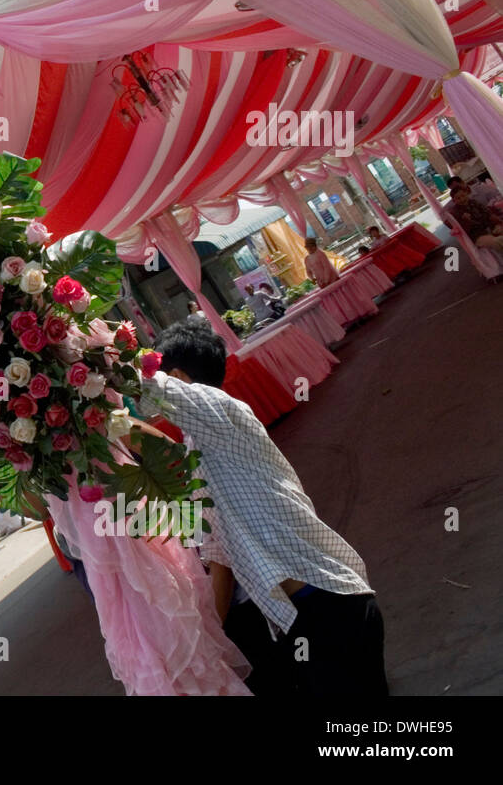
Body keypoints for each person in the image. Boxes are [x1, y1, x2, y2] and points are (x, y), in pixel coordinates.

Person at [145, 317, 388, 695]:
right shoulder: (201, 444)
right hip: (311, 613)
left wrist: (82, 359)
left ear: (177, 375)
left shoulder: (222, 411)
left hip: (327, 606)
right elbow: (219, 555)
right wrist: (210, 638)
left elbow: (146, 387)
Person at [446, 184, 503, 253]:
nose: (462, 199)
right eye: (458, 198)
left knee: (499, 233)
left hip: (489, 227)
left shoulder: (474, 202)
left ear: (467, 193)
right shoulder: (455, 212)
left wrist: (498, 222)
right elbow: (463, 231)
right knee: (497, 241)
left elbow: (488, 213)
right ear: (454, 200)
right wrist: (466, 221)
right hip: (477, 236)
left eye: (463, 196)